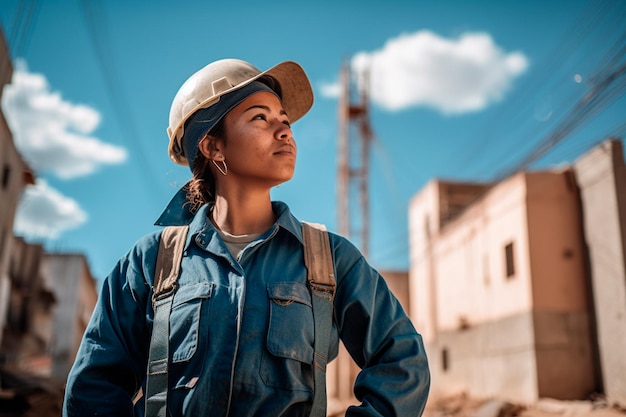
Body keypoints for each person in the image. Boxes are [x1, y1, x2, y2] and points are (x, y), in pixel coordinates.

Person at [62, 58, 430, 417]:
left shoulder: (331, 259)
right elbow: (93, 389)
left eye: (284, 120)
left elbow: (402, 362)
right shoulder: (149, 263)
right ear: (212, 146)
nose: (284, 130)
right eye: (260, 118)